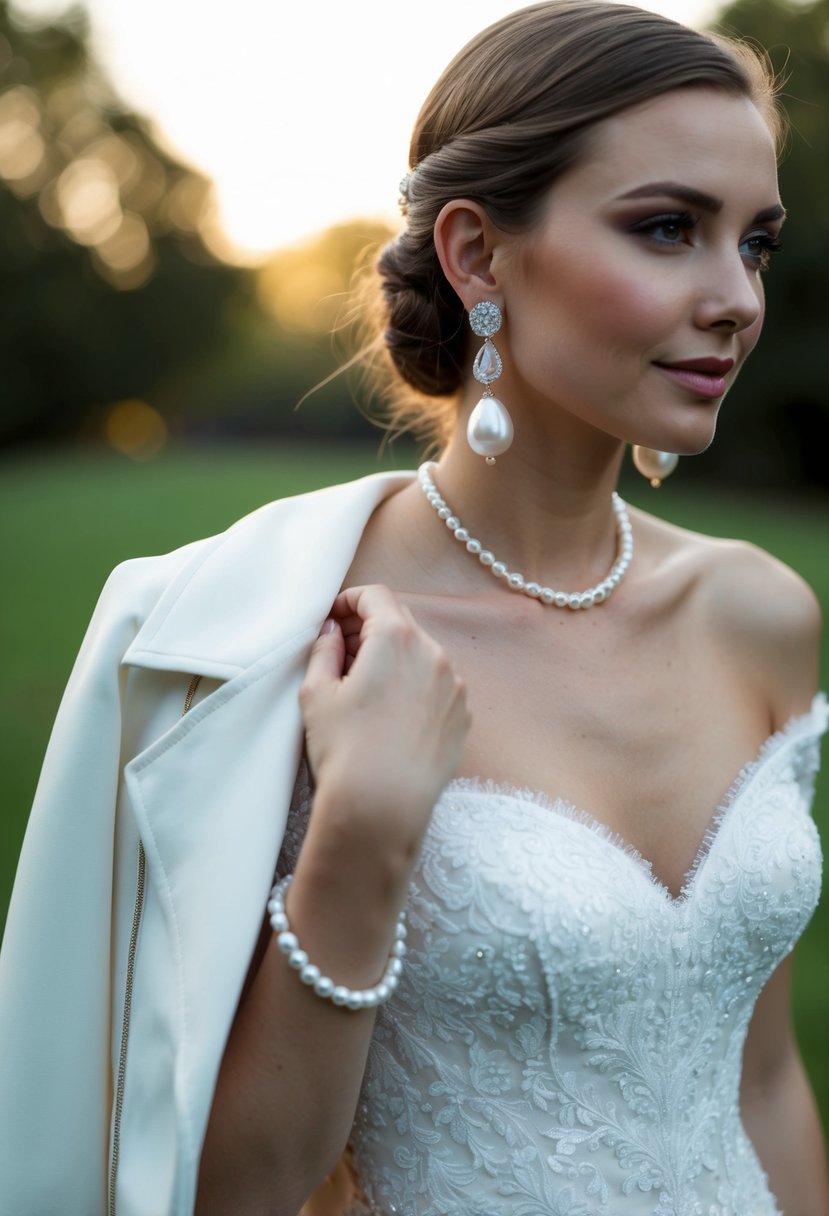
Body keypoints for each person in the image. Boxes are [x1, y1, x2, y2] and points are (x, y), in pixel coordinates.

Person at [0, 2, 827, 1214]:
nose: (735, 298)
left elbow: (761, 1083)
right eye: (666, 229)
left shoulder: (760, 615)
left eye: (752, 244)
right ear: (478, 255)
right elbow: (232, 1187)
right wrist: (361, 838)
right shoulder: (277, 642)